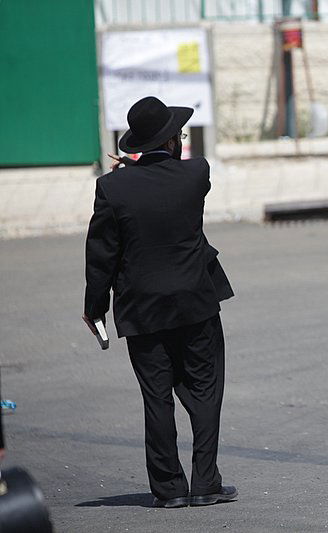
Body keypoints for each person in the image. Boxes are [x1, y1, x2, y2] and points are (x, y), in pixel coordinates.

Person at [83, 96, 237, 508]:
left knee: (156, 397)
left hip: (141, 307)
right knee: (205, 391)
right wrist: (137, 166)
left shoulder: (112, 188)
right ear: (171, 141)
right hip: (195, 302)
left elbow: (100, 254)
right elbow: (172, 175)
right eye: (179, 135)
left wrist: (93, 307)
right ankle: (206, 483)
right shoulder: (195, 175)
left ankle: (169, 489)